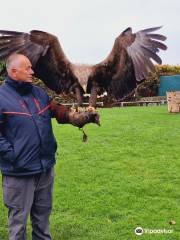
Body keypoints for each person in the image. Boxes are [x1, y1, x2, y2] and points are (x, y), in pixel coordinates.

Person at [0, 53, 99, 240]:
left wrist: (76, 118)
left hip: (45, 169)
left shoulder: (38, 93)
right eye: (27, 68)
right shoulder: (1, 98)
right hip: (19, 174)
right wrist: (13, 156)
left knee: (42, 222)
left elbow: (58, 111)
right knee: (18, 226)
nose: (32, 71)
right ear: (13, 71)